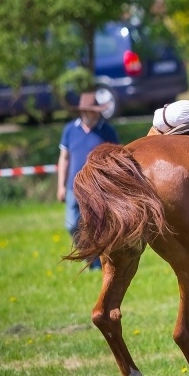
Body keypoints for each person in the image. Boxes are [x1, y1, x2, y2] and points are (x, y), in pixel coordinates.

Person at [57, 92, 120, 269]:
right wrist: (60, 186)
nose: (94, 114)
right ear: (83, 111)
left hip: (97, 188)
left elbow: (116, 157)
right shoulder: (70, 130)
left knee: (98, 227)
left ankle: (99, 261)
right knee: (71, 225)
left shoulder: (107, 131)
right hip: (73, 187)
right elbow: (64, 158)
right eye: (90, 111)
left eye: (95, 111)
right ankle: (89, 257)